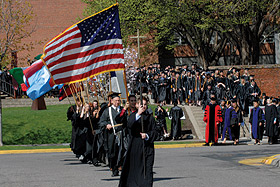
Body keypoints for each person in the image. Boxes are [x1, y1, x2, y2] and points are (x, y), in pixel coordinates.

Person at [119, 97, 158, 187]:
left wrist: (147, 135)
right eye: (141, 104)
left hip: (147, 148)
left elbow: (155, 132)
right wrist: (138, 114)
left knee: (147, 171)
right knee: (135, 172)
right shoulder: (133, 116)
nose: (143, 106)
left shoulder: (150, 118)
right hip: (136, 148)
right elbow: (129, 125)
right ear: (136, 105)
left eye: (145, 104)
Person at [99, 92, 124, 177]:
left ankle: (120, 166)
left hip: (122, 134)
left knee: (122, 151)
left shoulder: (122, 109)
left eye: (118, 100)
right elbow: (101, 122)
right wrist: (106, 125)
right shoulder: (107, 111)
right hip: (112, 135)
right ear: (112, 101)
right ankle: (114, 168)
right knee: (112, 152)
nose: (118, 102)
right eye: (116, 100)